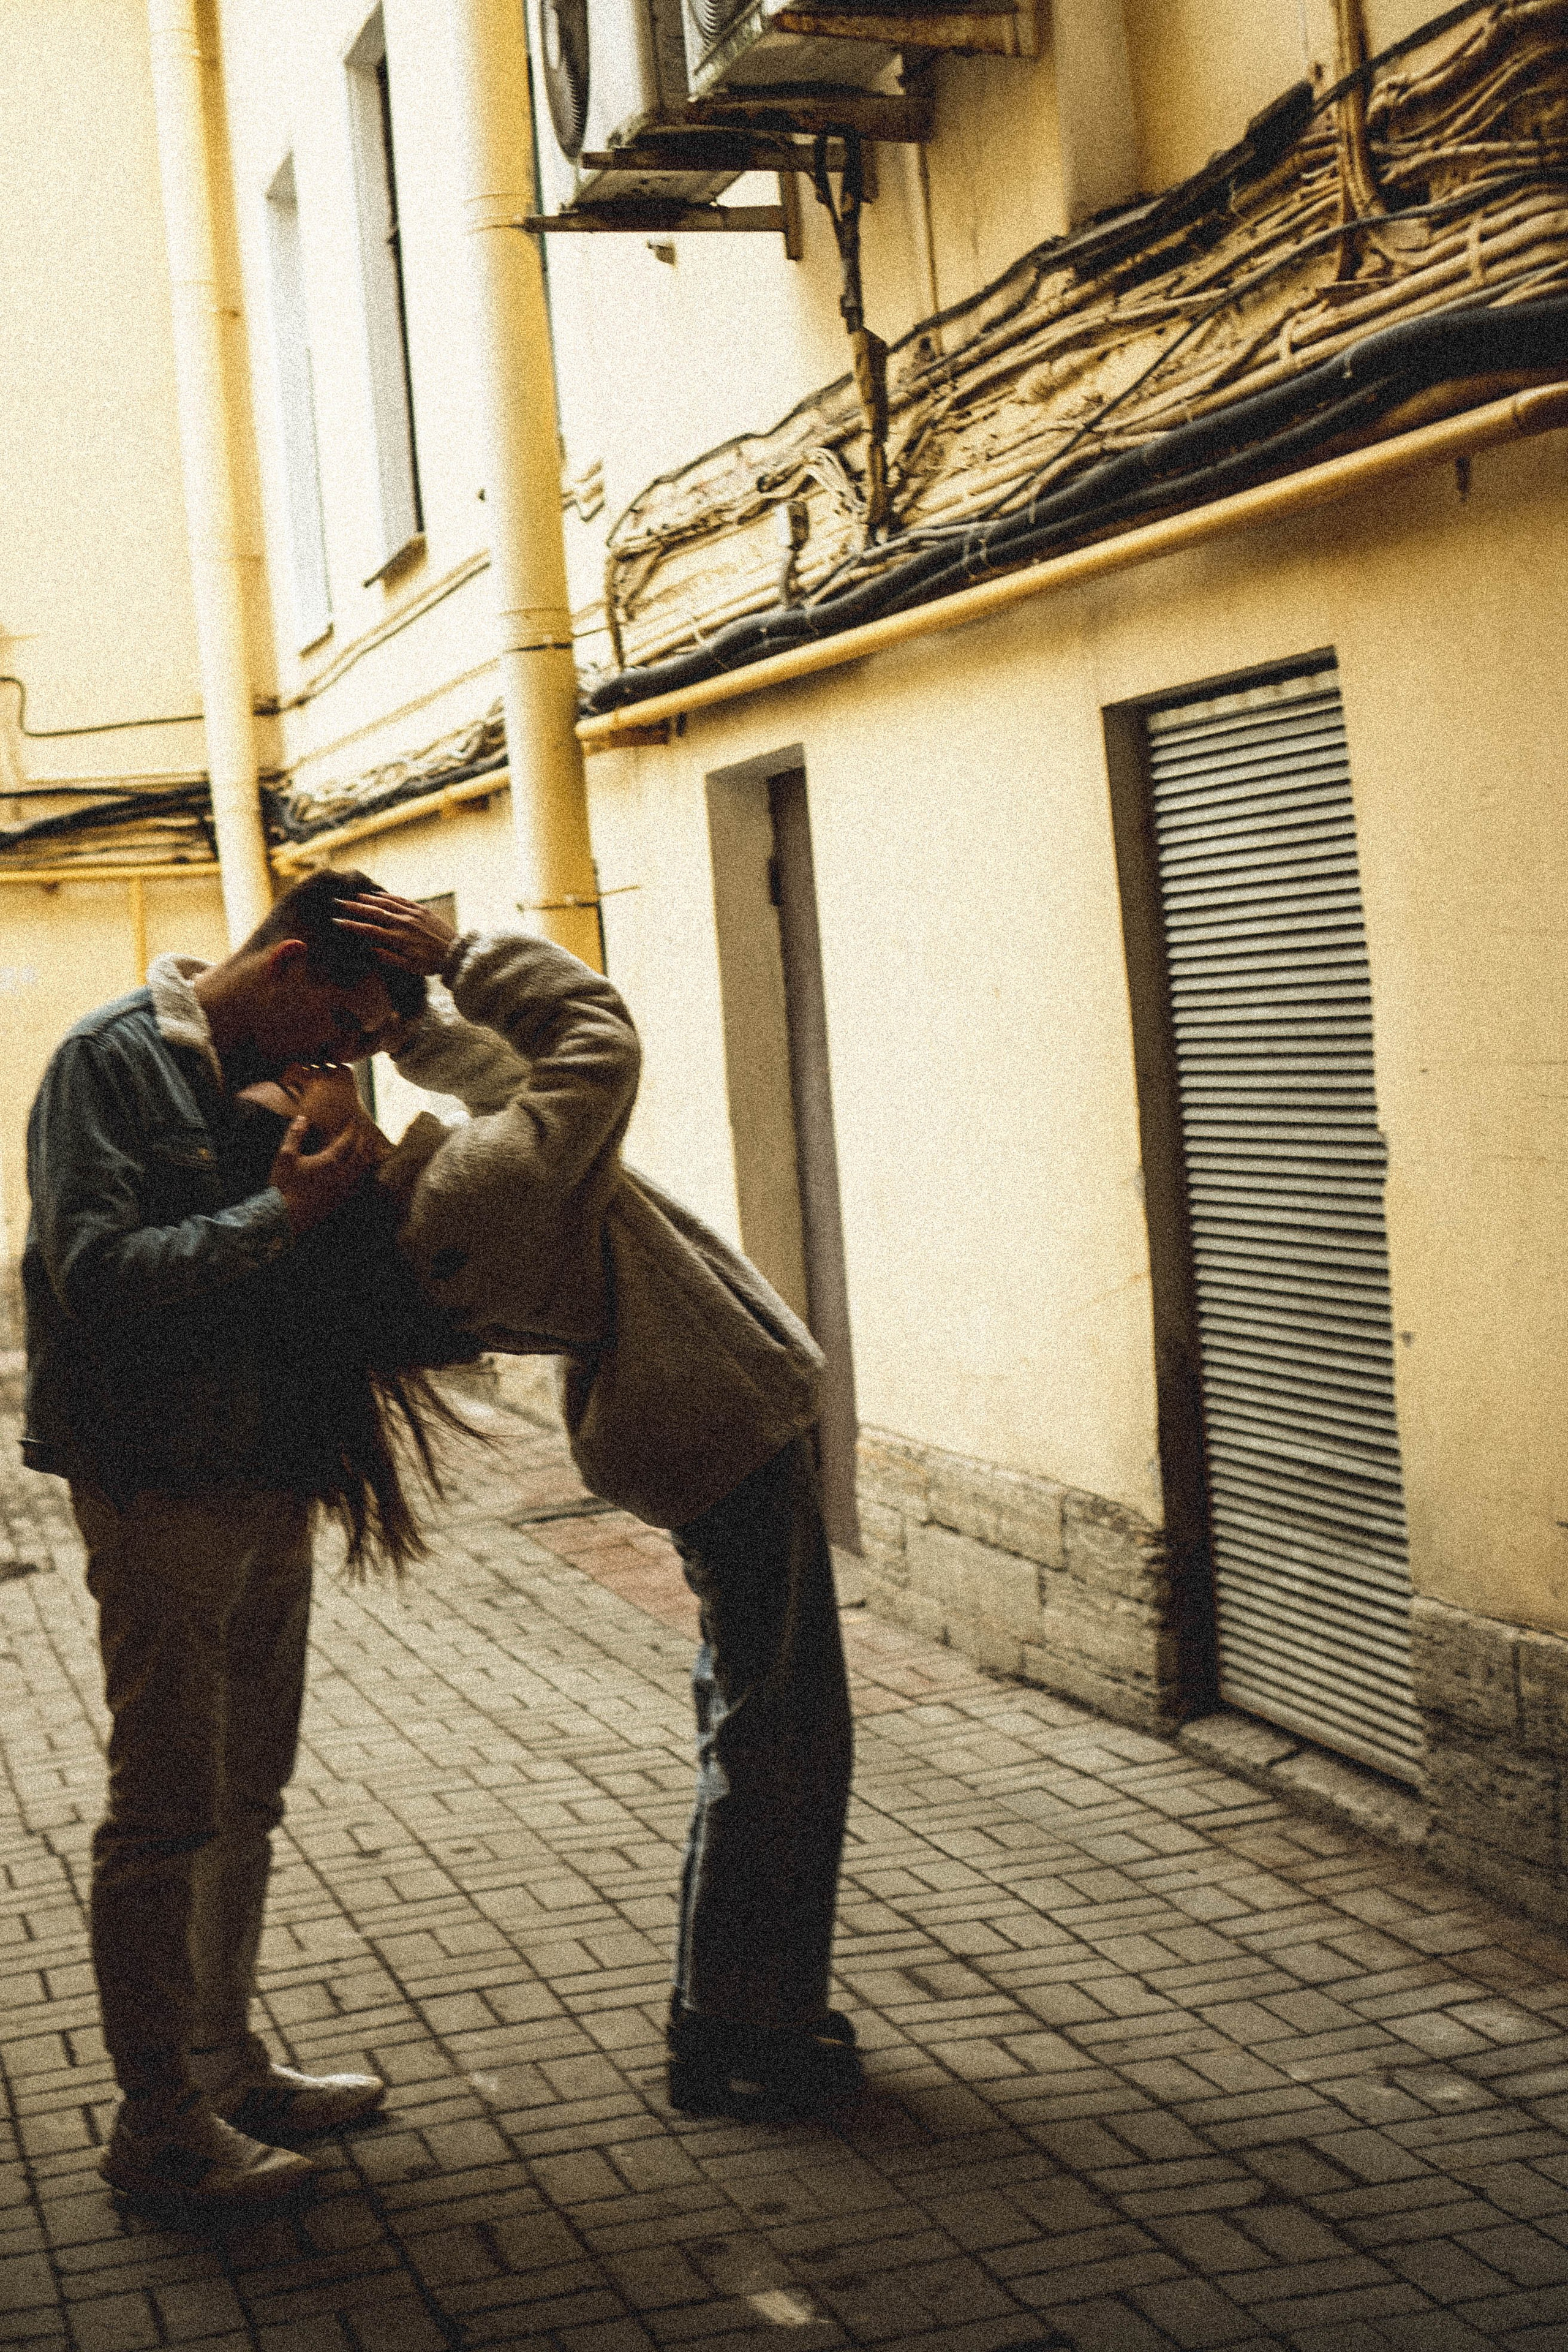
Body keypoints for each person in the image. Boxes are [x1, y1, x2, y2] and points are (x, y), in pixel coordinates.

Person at [317, 889, 862, 2120]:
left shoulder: (430, 1204)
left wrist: (410, 1030)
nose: (324, 1073)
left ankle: (733, 2006)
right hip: (713, 1423)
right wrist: (461, 955)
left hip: (682, 1423)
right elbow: (590, 1042)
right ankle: (743, 2027)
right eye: (306, 1081)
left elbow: (506, 1090)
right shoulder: (463, 1195)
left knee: (754, 1712)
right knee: (782, 1735)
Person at [20, 867, 449, 2209]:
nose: (344, 1062)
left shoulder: (281, 1066)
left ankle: (223, 2063)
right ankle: (157, 2124)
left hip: (269, 1466)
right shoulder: (110, 1062)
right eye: (343, 1031)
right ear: (289, 969)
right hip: (159, 1479)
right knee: (164, 1809)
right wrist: (288, 1212)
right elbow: (92, 1272)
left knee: (244, 1796)